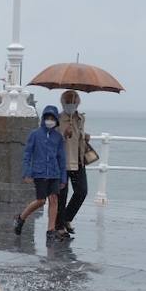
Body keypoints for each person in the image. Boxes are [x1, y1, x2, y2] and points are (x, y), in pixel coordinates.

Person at [15, 105, 68, 242]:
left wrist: (63, 177)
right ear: (43, 118)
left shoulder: (58, 137)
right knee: (41, 201)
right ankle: (21, 218)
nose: (50, 120)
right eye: (47, 118)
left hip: (54, 174)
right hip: (39, 173)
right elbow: (27, 154)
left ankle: (50, 230)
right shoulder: (35, 134)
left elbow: (62, 159)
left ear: (56, 120)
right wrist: (27, 172)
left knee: (54, 199)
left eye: (52, 118)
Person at [56, 90, 90, 237]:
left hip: (78, 161)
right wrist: (63, 134)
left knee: (82, 191)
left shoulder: (80, 118)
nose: (71, 104)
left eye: (74, 102)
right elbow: (52, 140)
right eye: (68, 102)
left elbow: (79, 137)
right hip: (63, 162)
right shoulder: (57, 119)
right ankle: (59, 226)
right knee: (61, 195)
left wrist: (85, 138)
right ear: (62, 103)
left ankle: (66, 218)